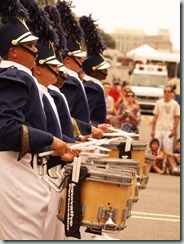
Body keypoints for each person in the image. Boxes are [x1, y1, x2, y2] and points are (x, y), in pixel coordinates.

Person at [0, 2, 73, 239]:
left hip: (20, 165)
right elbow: (6, 129)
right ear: (13, 51)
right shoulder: (14, 74)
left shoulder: (18, 75)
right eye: (29, 45)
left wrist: (53, 147)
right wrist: (51, 140)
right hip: (11, 167)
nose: (36, 50)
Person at [56, 0, 103, 139]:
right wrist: (80, 135)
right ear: (67, 59)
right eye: (78, 57)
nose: (82, 61)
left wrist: (93, 127)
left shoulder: (73, 79)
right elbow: (65, 117)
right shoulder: (69, 81)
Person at [151, 85, 180, 157]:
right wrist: (153, 130)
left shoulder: (175, 104)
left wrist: (174, 130)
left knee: (168, 150)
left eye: (168, 92)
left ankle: (168, 166)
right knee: (156, 149)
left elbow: (177, 118)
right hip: (159, 128)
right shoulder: (159, 103)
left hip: (168, 129)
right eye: (165, 91)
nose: (167, 93)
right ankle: (156, 166)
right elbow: (155, 117)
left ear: (171, 93)